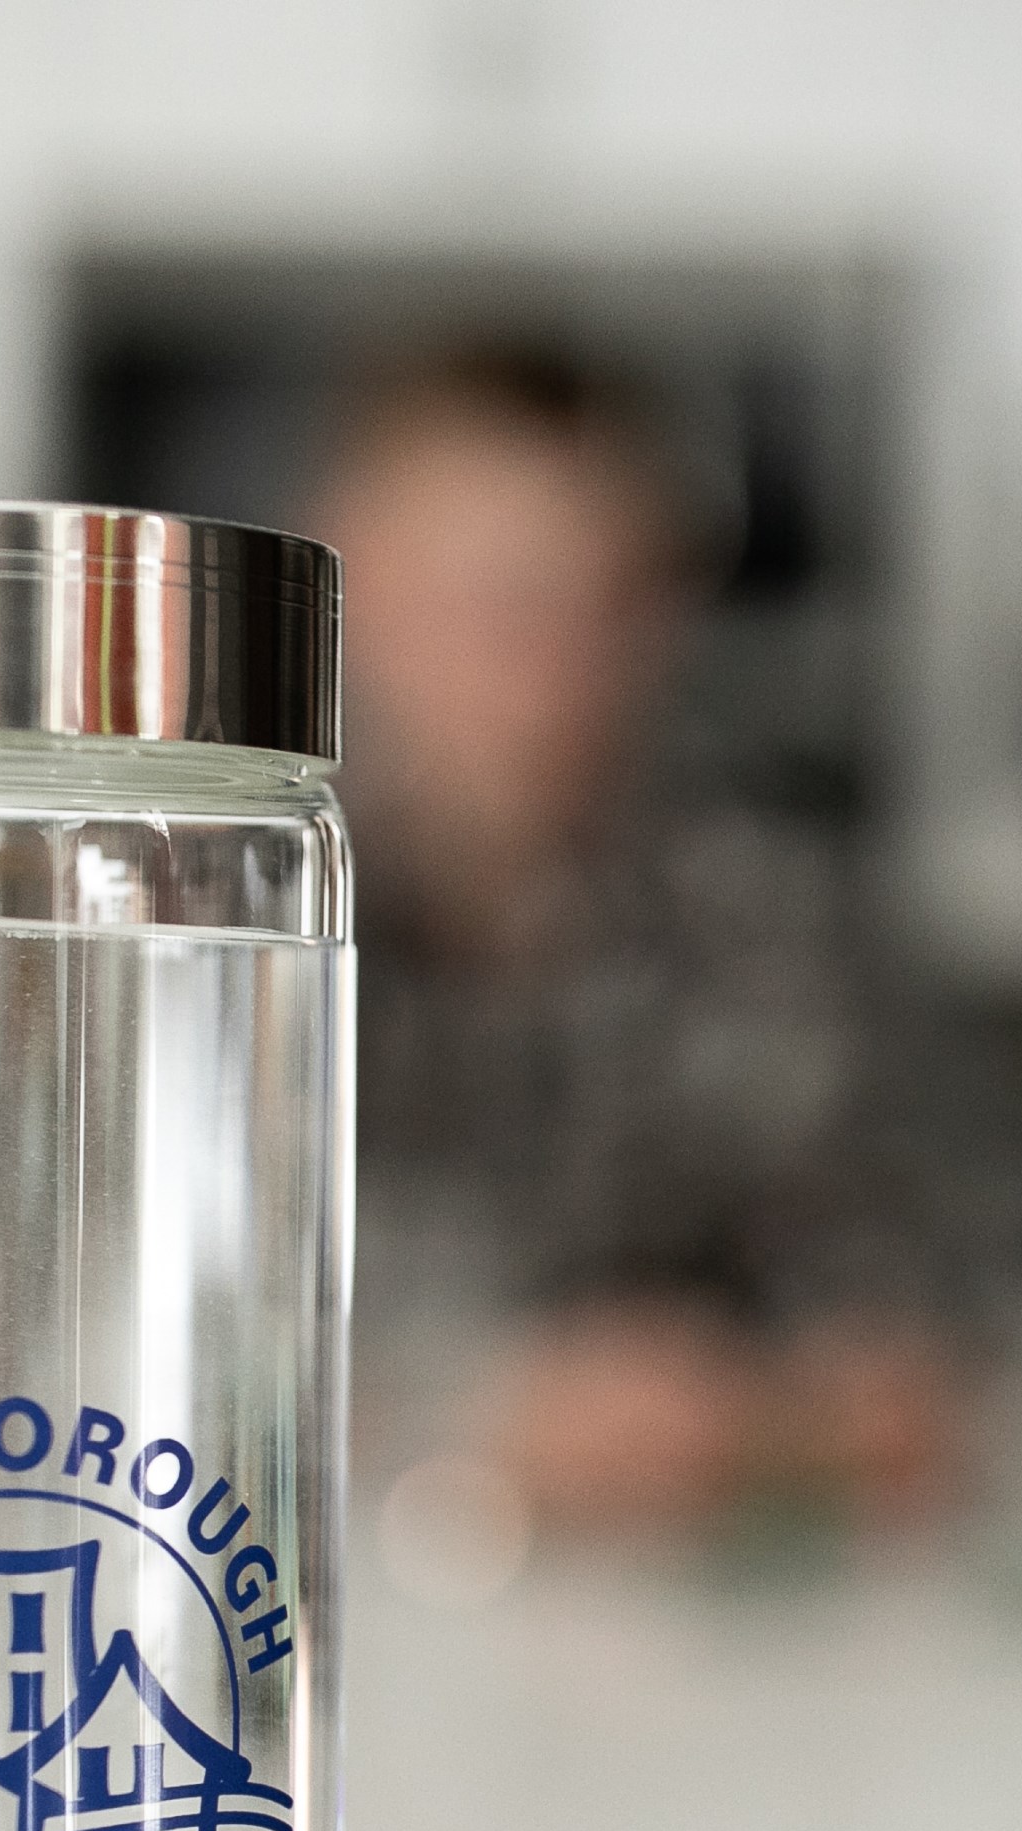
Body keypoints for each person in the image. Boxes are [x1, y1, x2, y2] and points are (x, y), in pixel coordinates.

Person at [308, 340, 955, 1532]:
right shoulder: (200, 925)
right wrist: (469, 1414)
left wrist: (731, 1424)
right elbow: (27, 1347)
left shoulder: (776, 927)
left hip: (678, 1631)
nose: (545, 670)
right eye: (492, 606)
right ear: (351, 591)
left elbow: (924, 1370)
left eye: (600, 604)